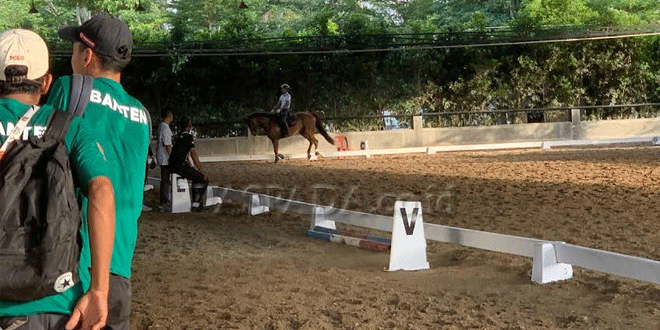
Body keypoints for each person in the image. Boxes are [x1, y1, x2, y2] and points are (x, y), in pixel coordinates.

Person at [0, 29, 116, 330]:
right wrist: (100, 290)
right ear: (47, 82)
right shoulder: (70, 128)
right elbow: (102, 190)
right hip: (56, 302)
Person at [45, 13, 150, 330]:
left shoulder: (68, 88)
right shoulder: (141, 114)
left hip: (73, 260)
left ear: (86, 54)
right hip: (119, 265)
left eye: (74, 49)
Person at [169, 116, 209, 212]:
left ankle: (196, 202)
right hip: (179, 166)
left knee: (194, 175)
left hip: (172, 164)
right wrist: (201, 170)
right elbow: (193, 154)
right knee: (202, 179)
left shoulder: (177, 137)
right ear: (189, 126)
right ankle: (196, 203)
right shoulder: (188, 137)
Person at [156, 110, 173, 212]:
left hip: (161, 156)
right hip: (165, 158)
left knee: (164, 179)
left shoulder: (160, 127)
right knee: (166, 180)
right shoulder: (166, 128)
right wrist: (171, 157)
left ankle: (163, 199)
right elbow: (167, 145)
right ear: (169, 116)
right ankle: (165, 201)